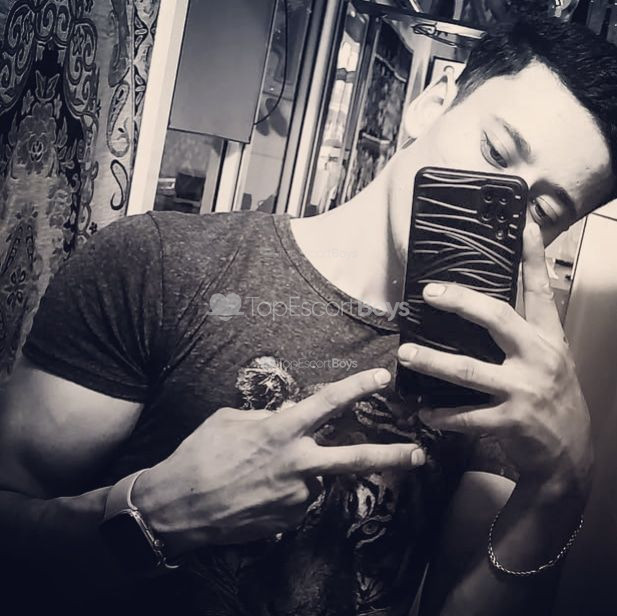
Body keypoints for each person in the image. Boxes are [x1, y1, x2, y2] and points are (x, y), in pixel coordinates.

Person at [0, 15, 615, 616]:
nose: (489, 205)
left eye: (539, 211)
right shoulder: (157, 261)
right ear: (431, 103)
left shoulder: (500, 381)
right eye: (495, 150)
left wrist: (562, 485)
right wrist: (158, 516)